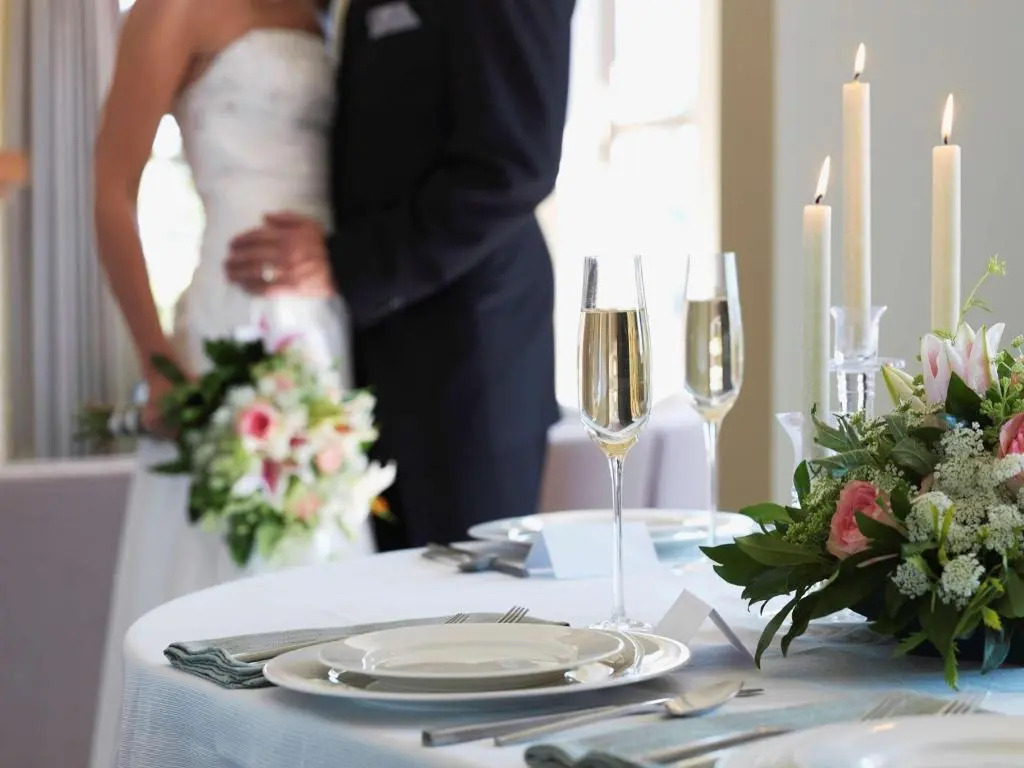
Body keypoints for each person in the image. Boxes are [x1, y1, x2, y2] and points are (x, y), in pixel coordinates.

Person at [89, 2, 367, 766]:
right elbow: (111, 189)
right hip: (230, 322)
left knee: (328, 571)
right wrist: (156, 361)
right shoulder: (169, 10)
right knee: (218, 570)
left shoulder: (320, 13)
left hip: (326, 329)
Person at [226, 0, 576, 550]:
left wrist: (347, 263)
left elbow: (514, 165)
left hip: (467, 370)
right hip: (360, 362)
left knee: (467, 596)